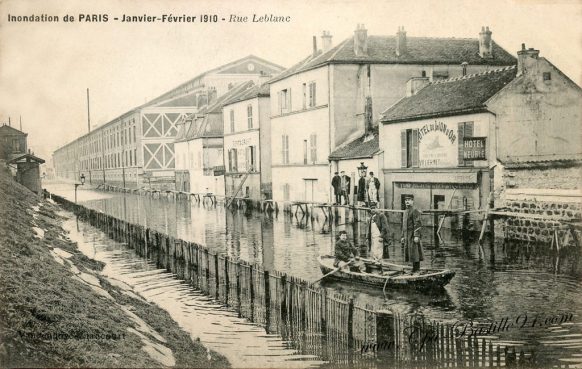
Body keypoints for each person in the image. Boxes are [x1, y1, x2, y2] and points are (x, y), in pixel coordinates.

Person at [401, 195, 423, 273]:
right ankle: (413, 269)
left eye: (409, 200)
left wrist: (416, 235)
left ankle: (417, 269)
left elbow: (417, 224)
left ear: (412, 201)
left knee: (415, 251)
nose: (407, 201)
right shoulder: (405, 212)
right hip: (407, 235)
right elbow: (403, 225)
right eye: (406, 200)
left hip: (412, 235)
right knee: (410, 252)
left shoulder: (415, 211)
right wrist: (402, 236)